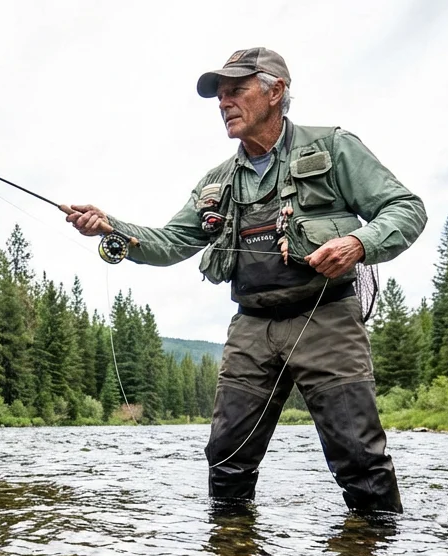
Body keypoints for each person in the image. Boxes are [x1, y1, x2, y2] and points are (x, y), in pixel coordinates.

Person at [66, 47, 426, 513]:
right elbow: (171, 242)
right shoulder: (217, 181)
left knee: (359, 457)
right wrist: (111, 225)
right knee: (227, 459)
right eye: (220, 95)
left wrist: (358, 244)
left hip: (327, 318)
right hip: (251, 327)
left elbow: (406, 208)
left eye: (236, 90)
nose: (223, 102)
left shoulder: (333, 147)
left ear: (276, 91)